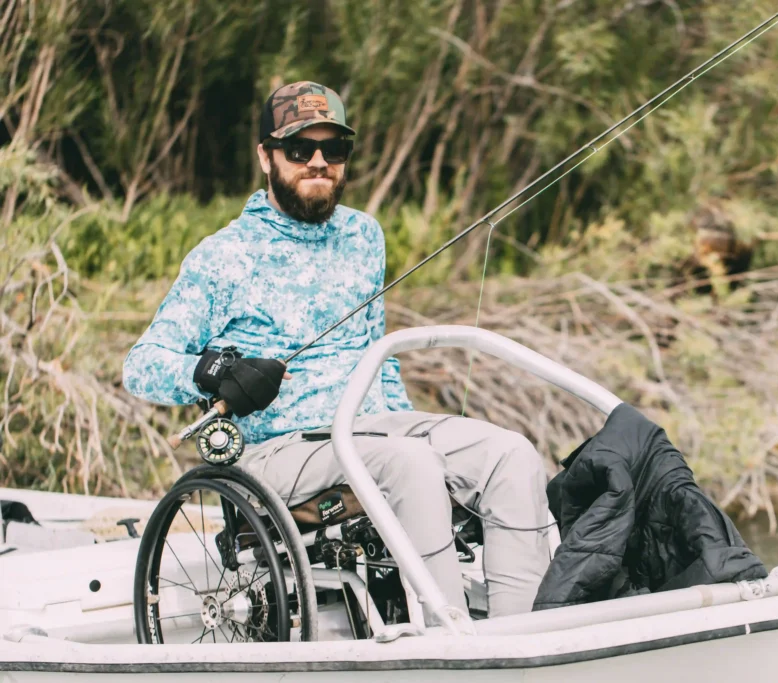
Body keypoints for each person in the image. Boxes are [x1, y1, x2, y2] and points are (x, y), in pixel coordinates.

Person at [122, 81, 551, 624]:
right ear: (266, 157)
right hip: (280, 451)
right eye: (300, 149)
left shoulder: (364, 236)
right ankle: (450, 639)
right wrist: (218, 370)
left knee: (511, 454)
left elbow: (379, 354)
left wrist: (407, 421)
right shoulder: (223, 256)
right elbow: (141, 365)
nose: (319, 162)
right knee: (410, 463)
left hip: (376, 431)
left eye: (334, 149)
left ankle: (523, 638)